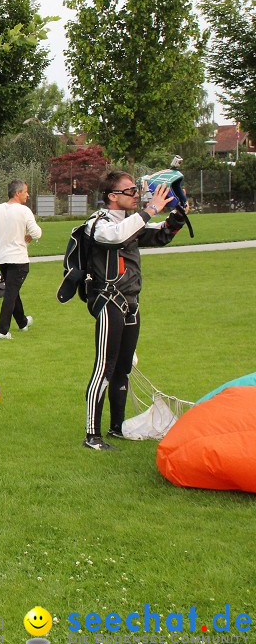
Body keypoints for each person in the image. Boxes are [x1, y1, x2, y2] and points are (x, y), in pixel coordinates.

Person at [82, 173, 186, 451]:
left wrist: (177, 214)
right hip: (108, 301)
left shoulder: (130, 223)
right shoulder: (96, 223)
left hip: (131, 302)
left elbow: (160, 236)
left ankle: (116, 427)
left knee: (123, 369)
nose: (136, 195)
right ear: (112, 196)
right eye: (130, 191)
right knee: (104, 367)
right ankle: (92, 435)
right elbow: (115, 237)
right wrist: (150, 209)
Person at [0, 180, 42, 339]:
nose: (27, 195)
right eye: (25, 192)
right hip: (19, 260)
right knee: (10, 293)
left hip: (2, 259)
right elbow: (37, 233)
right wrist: (28, 235)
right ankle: (2, 330)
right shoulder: (24, 211)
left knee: (12, 290)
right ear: (17, 193)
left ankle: (22, 322)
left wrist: (3, 230)